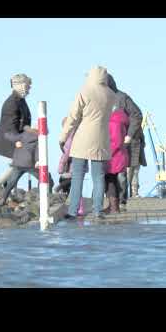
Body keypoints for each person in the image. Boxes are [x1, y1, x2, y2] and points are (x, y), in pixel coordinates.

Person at [59, 66, 117, 219]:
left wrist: (63, 136)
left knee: (77, 175)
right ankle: (97, 211)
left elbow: (73, 116)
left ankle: (72, 211)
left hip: (83, 138)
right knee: (98, 177)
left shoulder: (85, 91)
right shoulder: (111, 95)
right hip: (101, 139)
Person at [106, 74, 147, 209]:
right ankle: (111, 202)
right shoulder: (99, 98)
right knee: (108, 174)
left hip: (124, 142)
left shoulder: (122, 98)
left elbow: (137, 114)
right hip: (106, 142)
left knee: (123, 175)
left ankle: (123, 201)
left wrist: (129, 135)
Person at [0, 74, 34, 189]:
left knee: (19, 165)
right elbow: (9, 127)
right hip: (10, 139)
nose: (29, 89)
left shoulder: (19, 101)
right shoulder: (13, 102)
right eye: (28, 85)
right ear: (20, 85)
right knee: (20, 164)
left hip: (15, 138)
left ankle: (4, 190)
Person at [0, 126, 54, 205]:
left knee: (11, 182)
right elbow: (38, 150)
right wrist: (38, 161)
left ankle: (3, 199)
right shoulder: (39, 138)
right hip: (30, 164)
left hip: (18, 163)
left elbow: (13, 137)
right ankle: (46, 198)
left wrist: (6, 134)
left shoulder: (24, 134)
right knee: (46, 178)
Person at [55, 117, 88, 216]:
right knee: (77, 186)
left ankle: (75, 208)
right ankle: (80, 208)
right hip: (82, 163)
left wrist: (61, 166)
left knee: (72, 185)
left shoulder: (70, 136)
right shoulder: (81, 133)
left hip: (72, 165)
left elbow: (66, 153)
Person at [103, 105, 129, 214]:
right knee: (115, 180)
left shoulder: (113, 121)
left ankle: (114, 207)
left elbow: (115, 141)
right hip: (120, 155)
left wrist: (108, 153)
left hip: (113, 156)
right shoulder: (121, 119)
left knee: (110, 181)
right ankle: (113, 205)